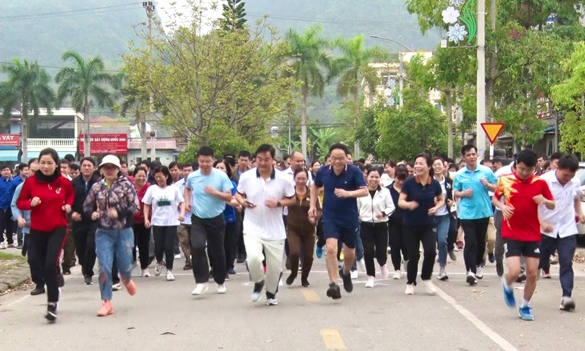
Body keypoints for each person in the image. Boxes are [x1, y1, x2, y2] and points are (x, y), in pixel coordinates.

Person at [493, 149, 555, 321]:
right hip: (511, 231)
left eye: (529, 170)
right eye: (521, 169)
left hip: (533, 233)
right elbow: (495, 199)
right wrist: (503, 206)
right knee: (513, 272)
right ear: (516, 166)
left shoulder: (540, 182)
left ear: (535, 167)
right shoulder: (505, 180)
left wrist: (544, 201)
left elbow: (552, 205)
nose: (524, 173)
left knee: (533, 273)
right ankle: (507, 284)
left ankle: (525, 305)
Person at [17, 148, 74, 321]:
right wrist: (30, 203)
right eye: (43, 162)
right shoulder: (31, 182)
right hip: (37, 230)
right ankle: (56, 280)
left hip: (57, 228)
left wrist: (68, 206)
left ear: (56, 164)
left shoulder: (63, 182)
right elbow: (21, 202)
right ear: (38, 164)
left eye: (50, 163)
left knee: (50, 264)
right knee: (43, 266)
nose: (46, 166)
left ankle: (52, 303)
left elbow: (70, 196)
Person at [236, 144, 296, 305]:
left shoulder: (284, 179)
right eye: (259, 159)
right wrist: (243, 202)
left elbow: (292, 198)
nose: (262, 163)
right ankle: (258, 282)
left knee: (275, 268)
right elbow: (238, 194)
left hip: (275, 229)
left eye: (266, 159)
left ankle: (271, 293)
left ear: (273, 160)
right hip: (252, 226)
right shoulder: (246, 177)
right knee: (254, 257)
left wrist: (278, 203)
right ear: (255, 160)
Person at [308, 143, 367, 300]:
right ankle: (334, 284)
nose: (337, 161)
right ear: (329, 158)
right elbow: (315, 186)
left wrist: (348, 193)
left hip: (349, 218)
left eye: (341, 158)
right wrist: (313, 205)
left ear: (347, 158)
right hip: (330, 217)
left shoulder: (354, 171)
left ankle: (346, 272)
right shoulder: (323, 171)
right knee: (332, 249)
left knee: (350, 253)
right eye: (334, 158)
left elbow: (365, 190)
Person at [83, 155, 140, 317]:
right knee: (104, 266)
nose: (109, 170)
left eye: (112, 167)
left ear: (118, 169)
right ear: (101, 170)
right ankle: (106, 301)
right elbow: (86, 206)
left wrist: (119, 213)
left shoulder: (126, 185)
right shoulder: (96, 187)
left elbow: (135, 206)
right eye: (105, 167)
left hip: (124, 231)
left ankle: (127, 279)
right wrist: (92, 213)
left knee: (124, 265)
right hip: (103, 232)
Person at [185, 147, 234, 295]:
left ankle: (220, 281)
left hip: (216, 217)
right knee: (197, 247)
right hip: (198, 218)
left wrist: (215, 192)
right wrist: (187, 201)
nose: (204, 164)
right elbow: (187, 189)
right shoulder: (192, 176)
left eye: (207, 161)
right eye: (201, 161)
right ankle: (201, 281)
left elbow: (228, 197)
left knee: (216, 250)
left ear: (213, 160)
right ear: (198, 161)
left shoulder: (221, 176)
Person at [538, 153, 583, 311]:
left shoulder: (574, 182)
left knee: (566, 262)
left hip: (567, 228)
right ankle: (530, 279)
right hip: (546, 229)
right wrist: (541, 222)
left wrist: (580, 214)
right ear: (558, 168)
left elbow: (576, 198)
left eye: (570, 176)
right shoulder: (544, 181)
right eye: (565, 175)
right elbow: (534, 203)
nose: (567, 179)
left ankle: (566, 297)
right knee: (540, 262)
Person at [399, 153, 444, 295]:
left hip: (428, 224)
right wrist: (409, 204)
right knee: (413, 255)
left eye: (421, 163)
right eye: (416, 163)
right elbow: (400, 202)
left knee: (430, 252)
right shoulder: (409, 183)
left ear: (428, 166)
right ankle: (410, 282)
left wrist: (436, 208)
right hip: (410, 225)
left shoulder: (434, 184)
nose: (417, 166)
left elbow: (441, 199)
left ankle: (426, 278)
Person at [453, 145, 498, 285]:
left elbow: (497, 187)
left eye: (473, 154)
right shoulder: (460, 174)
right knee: (470, 241)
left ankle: (479, 264)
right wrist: (464, 194)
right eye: (468, 155)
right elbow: (455, 193)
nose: (471, 157)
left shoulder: (486, 171)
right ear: (464, 157)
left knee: (480, 241)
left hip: (483, 211)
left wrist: (487, 184)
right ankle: (470, 271)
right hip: (467, 213)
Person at [143, 166, 185, 282]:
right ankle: (159, 261)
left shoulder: (174, 189)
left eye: (160, 177)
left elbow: (181, 203)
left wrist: (181, 213)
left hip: (171, 221)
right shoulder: (152, 189)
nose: (159, 179)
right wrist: (146, 218)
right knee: (159, 246)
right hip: (157, 222)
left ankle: (169, 270)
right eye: (156, 177)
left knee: (169, 246)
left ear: (166, 176)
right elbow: (146, 204)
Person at [357, 167, 394, 288]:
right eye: (371, 176)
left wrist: (383, 213)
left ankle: (382, 264)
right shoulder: (361, 192)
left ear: (380, 178)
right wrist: (358, 215)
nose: (374, 179)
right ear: (367, 177)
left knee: (381, 251)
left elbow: (391, 207)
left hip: (381, 225)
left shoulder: (385, 192)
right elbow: (356, 207)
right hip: (366, 224)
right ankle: (371, 277)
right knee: (368, 251)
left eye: (376, 177)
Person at [11, 159, 44, 295]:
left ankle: (54, 275)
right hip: (30, 229)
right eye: (33, 171)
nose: (35, 174)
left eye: (38, 171)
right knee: (33, 258)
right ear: (28, 171)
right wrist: (19, 217)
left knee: (48, 256)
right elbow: (15, 205)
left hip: (48, 228)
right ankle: (39, 283)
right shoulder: (22, 188)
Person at [286, 167, 321, 287]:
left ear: (307, 179)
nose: (301, 181)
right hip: (293, 228)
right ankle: (294, 272)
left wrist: (314, 217)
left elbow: (319, 210)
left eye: (303, 179)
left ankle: (304, 277)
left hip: (309, 229)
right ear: (294, 179)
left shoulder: (312, 192)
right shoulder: (289, 192)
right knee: (294, 252)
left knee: (308, 256)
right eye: (298, 178)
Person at [71, 157, 100, 285]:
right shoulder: (74, 183)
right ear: (80, 168)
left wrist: (98, 211)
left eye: (89, 165)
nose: (87, 168)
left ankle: (88, 273)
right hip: (79, 219)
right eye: (84, 165)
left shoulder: (99, 182)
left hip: (94, 220)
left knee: (91, 245)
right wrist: (72, 213)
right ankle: (84, 265)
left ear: (94, 168)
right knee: (80, 248)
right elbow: (68, 200)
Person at [211, 159, 241, 279]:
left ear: (228, 171)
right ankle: (215, 268)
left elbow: (234, 200)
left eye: (222, 168)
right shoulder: (210, 184)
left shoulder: (232, 184)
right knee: (215, 245)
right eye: (217, 168)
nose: (219, 170)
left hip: (229, 219)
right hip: (213, 218)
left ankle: (228, 266)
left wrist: (221, 196)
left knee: (228, 245)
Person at [432, 157, 454, 281]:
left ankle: (442, 268)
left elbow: (452, 197)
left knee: (442, 240)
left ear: (444, 166)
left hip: (445, 215)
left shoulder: (449, 182)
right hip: (431, 216)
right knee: (431, 243)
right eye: (435, 165)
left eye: (440, 164)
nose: (438, 167)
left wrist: (451, 202)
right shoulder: (429, 182)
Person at [387, 164, 409, 280]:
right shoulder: (387, 190)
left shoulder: (409, 189)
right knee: (395, 245)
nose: (401, 182)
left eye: (403, 180)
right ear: (395, 177)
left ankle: (406, 260)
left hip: (408, 222)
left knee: (406, 245)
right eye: (399, 179)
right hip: (392, 222)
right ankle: (397, 269)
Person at [132, 166, 151, 277]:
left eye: (144, 176)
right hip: (131, 221)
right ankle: (131, 263)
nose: (141, 178)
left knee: (144, 245)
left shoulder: (150, 188)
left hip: (145, 221)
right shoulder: (130, 188)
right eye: (139, 176)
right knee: (130, 244)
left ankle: (145, 268)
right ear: (134, 176)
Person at [175, 163, 194, 270]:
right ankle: (188, 262)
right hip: (181, 218)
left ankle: (195, 260)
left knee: (194, 242)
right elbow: (174, 200)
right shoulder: (177, 186)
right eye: (185, 170)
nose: (187, 172)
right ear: (182, 171)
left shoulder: (198, 184)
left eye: (189, 170)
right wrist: (181, 206)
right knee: (184, 241)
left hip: (195, 217)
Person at [0, 164, 15, 249]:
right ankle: (1, 241)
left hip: (11, 206)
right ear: (1, 172)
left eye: (8, 170)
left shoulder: (13, 182)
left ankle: (10, 241)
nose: (6, 172)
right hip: (1, 206)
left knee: (10, 224)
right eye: (4, 170)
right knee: (1, 224)